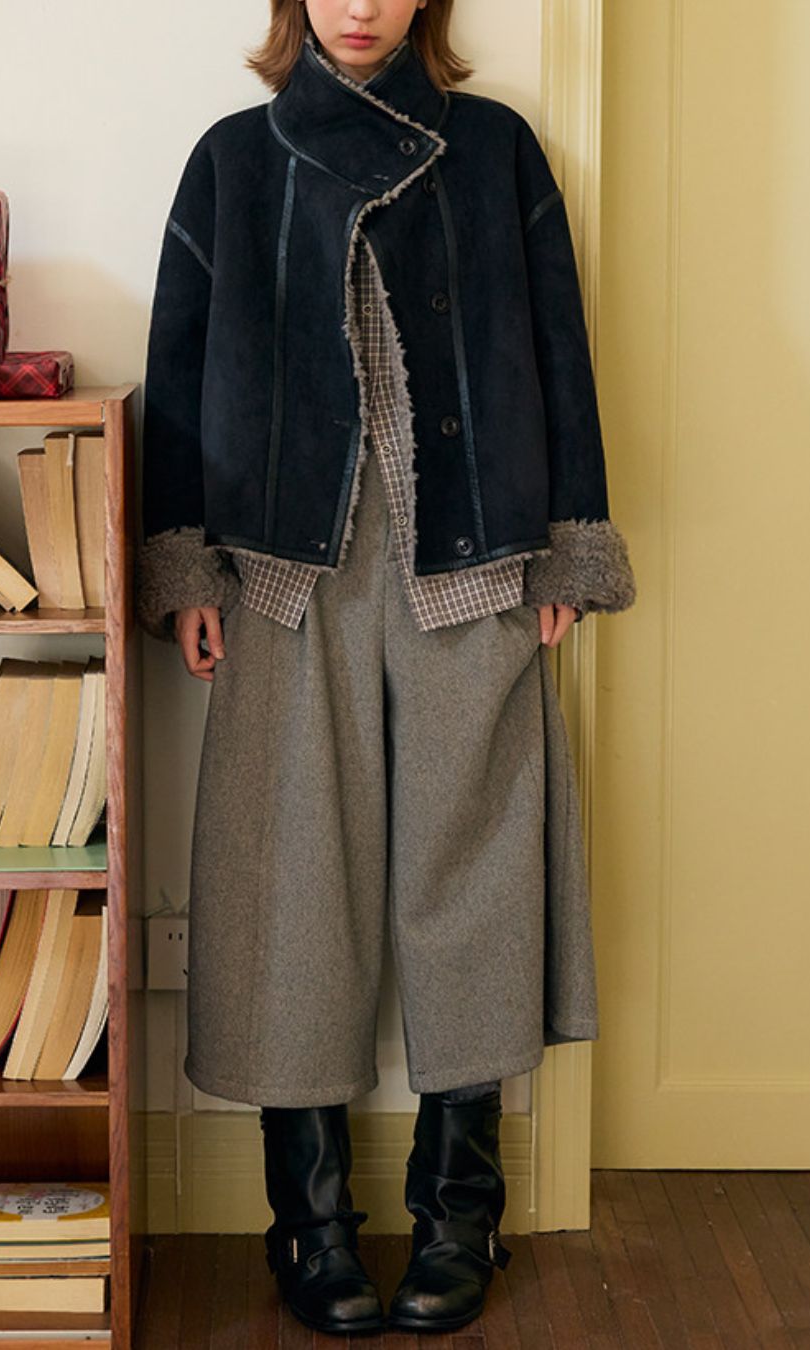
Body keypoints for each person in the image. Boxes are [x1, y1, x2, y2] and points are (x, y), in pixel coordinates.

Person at [136, 0, 637, 1334]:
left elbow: (562, 350)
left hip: (471, 560)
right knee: (291, 886)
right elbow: (176, 374)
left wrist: (570, 544)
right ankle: (308, 1224)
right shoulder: (234, 159)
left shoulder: (498, 150)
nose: (360, 3)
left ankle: (461, 1214)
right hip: (281, 577)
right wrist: (185, 566)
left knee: (475, 881)